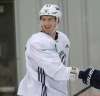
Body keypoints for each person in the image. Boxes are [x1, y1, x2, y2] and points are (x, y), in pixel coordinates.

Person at [17, 4, 79, 96]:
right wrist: (85, 75)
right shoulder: (37, 42)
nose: (46, 23)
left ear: (57, 20)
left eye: (50, 19)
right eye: (43, 19)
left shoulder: (63, 39)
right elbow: (57, 71)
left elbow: (61, 68)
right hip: (36, 93)